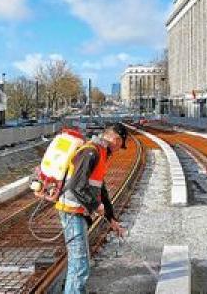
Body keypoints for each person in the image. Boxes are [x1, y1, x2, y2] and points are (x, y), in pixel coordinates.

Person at [55, 123, 128, 294]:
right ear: (116, 139)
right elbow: (76, 186)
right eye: (120, 145)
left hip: (78, 213)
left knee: (80, 263)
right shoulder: (91, 152)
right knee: (80, 265)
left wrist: (112, 219)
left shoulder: (100, 154)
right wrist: (96, 206)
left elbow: (100, 190)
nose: (118, 150)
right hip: (71, 212)